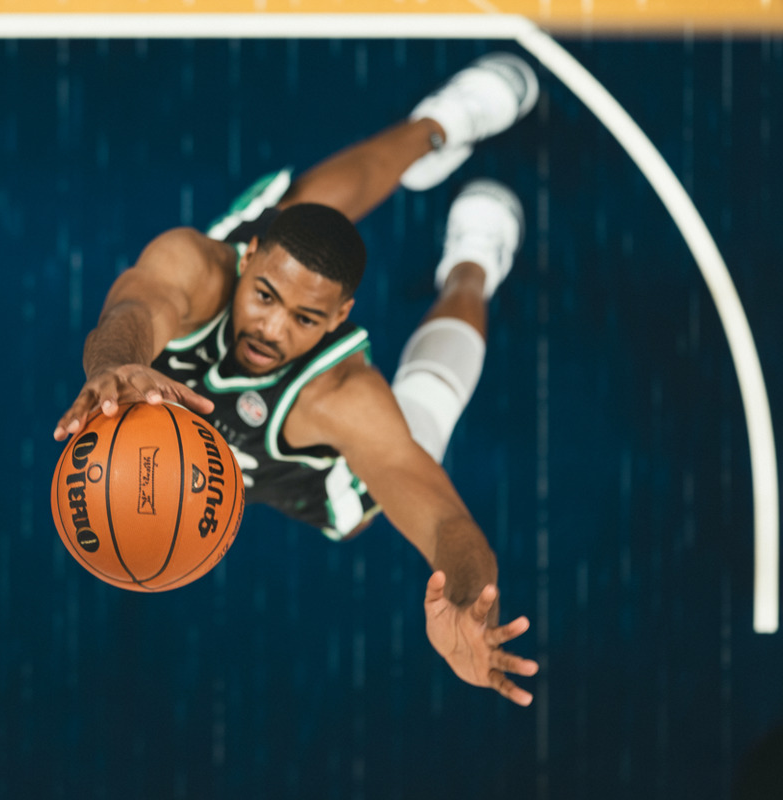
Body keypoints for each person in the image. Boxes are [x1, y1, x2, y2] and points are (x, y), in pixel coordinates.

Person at [54, 53, 541, 706]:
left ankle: (472, 267)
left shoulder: (341, 398)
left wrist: (466, 599)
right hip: (212, 341)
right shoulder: (198, 266)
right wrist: (114, 365)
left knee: (422, 416)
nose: (272, 331)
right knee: (303, 213)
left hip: (317, 477)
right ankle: (437, 128)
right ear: (247, 256)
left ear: (341, 318)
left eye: (307, 317)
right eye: (263, 297)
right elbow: (133, 311)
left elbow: (444, 519)